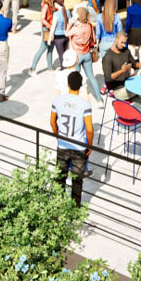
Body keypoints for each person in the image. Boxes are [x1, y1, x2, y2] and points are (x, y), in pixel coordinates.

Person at [49, 72, 93, 206]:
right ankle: (74, 209)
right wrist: (89, 146)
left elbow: (52, 122)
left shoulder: (58, 100)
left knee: (60, 178)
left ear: (67, 84)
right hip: (79, 147)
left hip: (62, 145)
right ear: (80, 86)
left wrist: (58, 135)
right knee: (77, 181)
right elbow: (89, 129)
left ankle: (58, 206)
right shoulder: (85, 104)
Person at [100, 30, 139, 98]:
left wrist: (140, 65)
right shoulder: (108, 57)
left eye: (125, 43)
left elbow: (134, 64)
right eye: (122, 42)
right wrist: (122, 71)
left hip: (128, 85)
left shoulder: (126, 51)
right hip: (118, 90)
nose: (123, 45)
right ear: (116, 39)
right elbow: (108, 78)